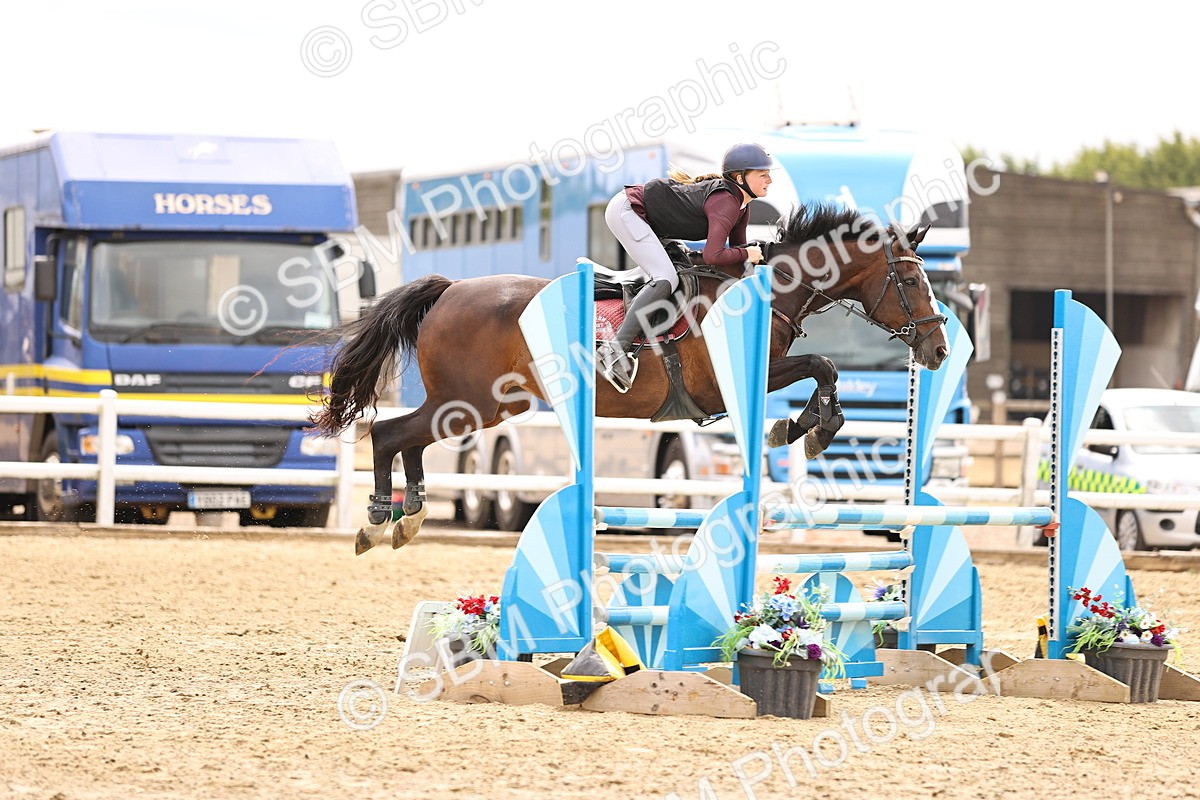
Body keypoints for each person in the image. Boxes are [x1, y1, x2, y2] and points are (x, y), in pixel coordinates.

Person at [597, 142, 776, 392]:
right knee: (665, 278)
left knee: (678, 272)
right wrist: (749, 252)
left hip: (651, 222)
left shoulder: (742, 206)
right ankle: (614, 350)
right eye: (763, 174)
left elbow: (738, 263)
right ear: (740, 177)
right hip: (629, 211)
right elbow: (714, 255)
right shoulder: (726, 202)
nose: (769, 179)